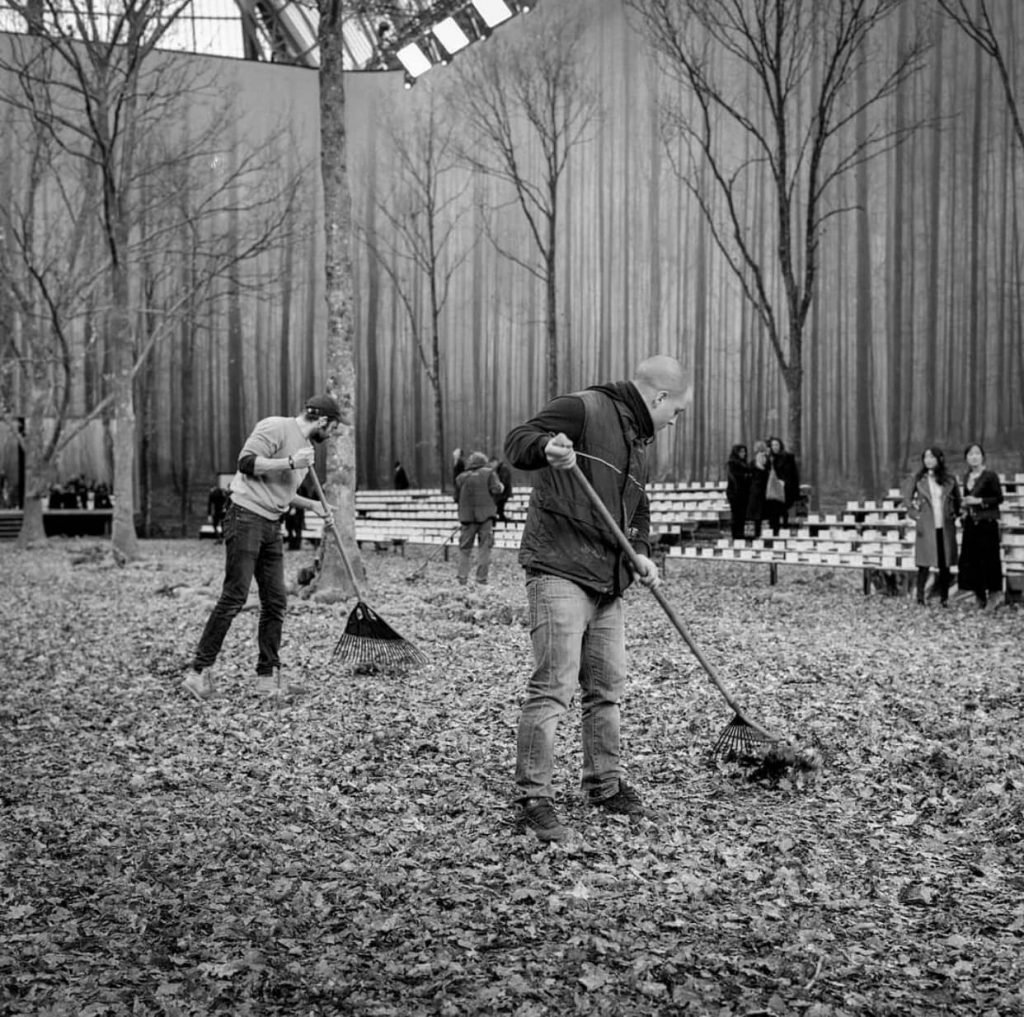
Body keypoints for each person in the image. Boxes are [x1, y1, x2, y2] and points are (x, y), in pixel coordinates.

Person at [505, 354, 692, 842]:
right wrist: (548, 446)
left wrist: (643, 552)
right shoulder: (583, 407)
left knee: (606, 689)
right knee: (553, 686)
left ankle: (604, 785)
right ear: (659, 398)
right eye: (677, 410)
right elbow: (517, 442)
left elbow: (639, 509)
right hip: (560, 570)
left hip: (609, 581)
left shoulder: (638, 443)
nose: (676, 420)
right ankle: (532, 800)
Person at [181, 394, 343, 701]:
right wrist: (291, 461)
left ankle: (266, 679)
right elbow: (246, 464)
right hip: (244, 516)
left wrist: (313, 504)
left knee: (275, 601)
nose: (333, 434)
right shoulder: (276, 427)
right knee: (235, 595)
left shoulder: (308, 450)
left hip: (271, 524)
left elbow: (281, 491)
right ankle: (198, 673)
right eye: (333, 427)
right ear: (322, 421)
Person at [902, 446, 961, 607]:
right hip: (926, 524)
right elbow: (907, 500)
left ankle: (944, 598)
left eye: (932, 457)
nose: (929, 460)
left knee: (944, 563)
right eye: (926, 457)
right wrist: (916, 516)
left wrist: (954, 514)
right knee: (924, 563)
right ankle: (920, 597)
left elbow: (958, 500)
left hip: (945, 524)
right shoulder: (918, 478)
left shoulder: (949, 479)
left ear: (939, 459)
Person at [957, 443, 1004, 608]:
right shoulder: (966, 477)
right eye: (970, 454)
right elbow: (965, 499)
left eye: (977, 453)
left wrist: (979, 501)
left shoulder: (990, 476)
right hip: (971, 523)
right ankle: (979, 595)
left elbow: (999, 498)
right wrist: (963, 508)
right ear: (966, 458)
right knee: (971, 560)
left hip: (987, 523)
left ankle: (995, 594)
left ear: (982, 456)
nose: (974, 457)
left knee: (990, 559)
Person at [453, 451, 504, 585]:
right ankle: (481, 579)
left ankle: (462, 578)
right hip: (486, 517)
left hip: (467, 519)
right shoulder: (489, 473)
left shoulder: (461, 478)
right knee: (484, 548)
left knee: (465, 550)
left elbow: (456, 498)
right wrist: (501, 486)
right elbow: (496, 489)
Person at [765, 436, 800, 535]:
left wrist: (786, 482)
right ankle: (774, 533)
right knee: (773, 512)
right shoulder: (769, 458)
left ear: (780, 445)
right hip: (772, 489)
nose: (775, 447)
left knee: (784, 511)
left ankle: (784, 531)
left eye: (776, 445)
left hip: (785, 488)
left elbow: (793, 474)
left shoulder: (788, 457)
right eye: (773, 445)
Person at [725, 444, 751, 540]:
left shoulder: (744, 464)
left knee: (742, 516)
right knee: (736, 516)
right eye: (741, 452)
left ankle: (741, 535)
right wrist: (746, 475)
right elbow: (737, 477)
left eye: (744, 451)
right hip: (735, 493)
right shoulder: (733, 464)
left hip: (744, 493)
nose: (743, 454)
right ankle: (736, 536)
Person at [745, 441, 769, 539]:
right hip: (766, 489)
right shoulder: (767, 460)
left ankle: (755, 534)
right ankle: (765, 534)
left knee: (756, 514)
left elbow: (748, 475)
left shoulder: (753, 462)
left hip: (755, 489)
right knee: (763, 513)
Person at [489, 456, 513, 524]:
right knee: (499, 508)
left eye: (492, 463)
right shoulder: (499, 468)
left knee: (499, 506)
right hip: (501, 492)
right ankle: (500, 518)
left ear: (495, 462)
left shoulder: (503, 468)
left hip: (503, 492)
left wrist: (499, 486)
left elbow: (504, 480)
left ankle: (498, 519)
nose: (491, 466)